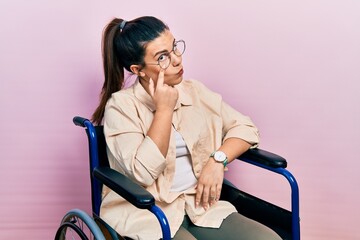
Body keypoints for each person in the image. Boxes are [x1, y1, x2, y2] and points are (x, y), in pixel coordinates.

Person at [92, 16, 281, 240]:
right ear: (138, 69)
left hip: (199, 204)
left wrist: (218, 160)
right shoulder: (121, 107)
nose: (177, 60)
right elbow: (143, 173)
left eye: (174, 48)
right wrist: (164, 110)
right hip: (146, 213)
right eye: (162, 57)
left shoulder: (195, 91)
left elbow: (245, 127)